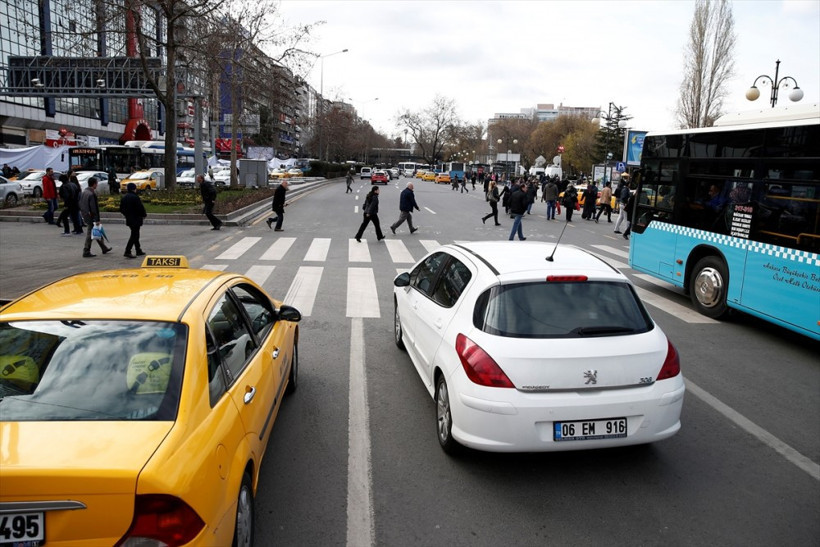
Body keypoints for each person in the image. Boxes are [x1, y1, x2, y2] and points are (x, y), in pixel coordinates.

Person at [78, 177, 112, 258]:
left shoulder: (84, 192)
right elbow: (94, 208)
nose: (97, 185)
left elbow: (80, 203)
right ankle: (86, 250)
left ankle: (104, 248)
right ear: (94, 184)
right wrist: (97, 219)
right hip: (91, 216)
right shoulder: (91, 194)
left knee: (97, 231)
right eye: (96, 183)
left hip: (85, 214)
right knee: (91, 233)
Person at [120, 182, 147, 258]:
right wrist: (144, 215)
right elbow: (140, 208)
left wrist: (127, 215)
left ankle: (138, 249)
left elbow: (121, 209)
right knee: (134, 235)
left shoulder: (124, 197)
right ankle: (128, 251)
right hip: (136, 218)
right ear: (134, 189)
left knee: (135, 234)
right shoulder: (135, 197)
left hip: (129, 218)